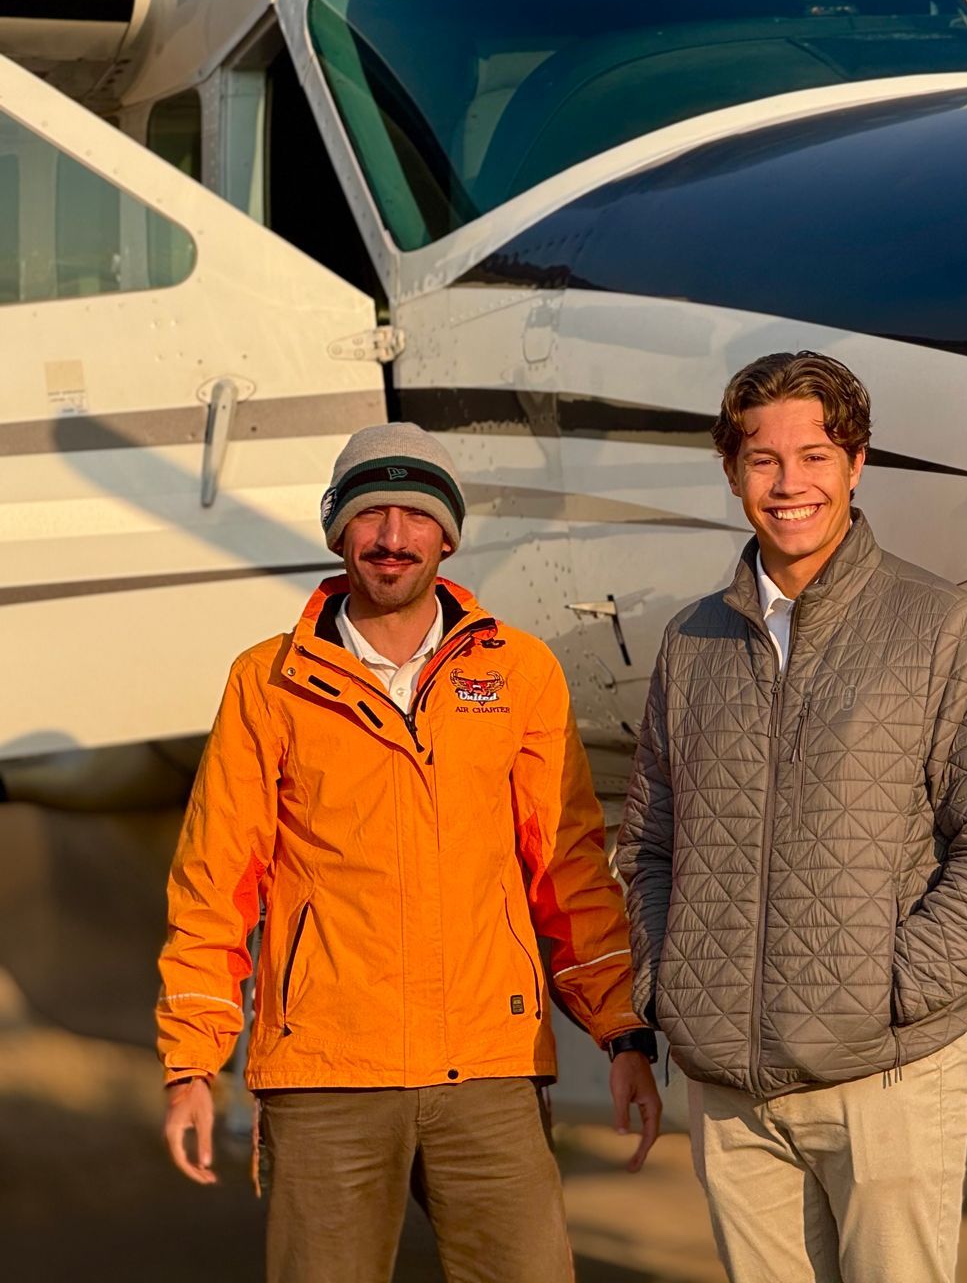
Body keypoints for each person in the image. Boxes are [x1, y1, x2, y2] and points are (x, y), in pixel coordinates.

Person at [156, 422, 662, 1283]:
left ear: (449, 534)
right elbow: (215, 881)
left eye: (415, 515)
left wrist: (624, 1033)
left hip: (489, 1076)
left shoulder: (521, 673)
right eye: (371, 514)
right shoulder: (266, 682)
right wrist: (190, 1062)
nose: (393, 539)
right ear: (337, 531)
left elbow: (569, 867)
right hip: (325, 1077)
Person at [616, 352, 967, 1283]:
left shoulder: (941, 630)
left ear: (856, 467)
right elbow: (651, 845)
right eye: (764, 460)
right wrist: (671, 983)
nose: (789, 485)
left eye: (814, 456)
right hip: (731, 1094)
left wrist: (886, 990)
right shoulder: (691, 644)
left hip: (887, 1079)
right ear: (733, 473)